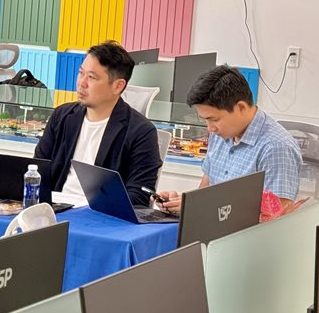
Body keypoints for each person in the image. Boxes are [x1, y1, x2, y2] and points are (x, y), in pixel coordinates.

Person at [157, 65, 302, 214]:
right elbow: (206, 189)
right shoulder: (220, 133)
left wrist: (201, 207)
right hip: (211, 223)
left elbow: (277, 217)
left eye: (214, 119)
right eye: (205, 120)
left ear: (241, 108)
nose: (210, 128)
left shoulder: (276, 148)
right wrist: (182, 204)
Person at [34, 41, 162, 207]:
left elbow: (140, 195)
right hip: (54, 208)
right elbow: (37, 170)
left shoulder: (141, 132)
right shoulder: (62, 116)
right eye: (81, 73)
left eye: (91, 77)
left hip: (100, 213)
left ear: (118, 86)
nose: (82, 83)